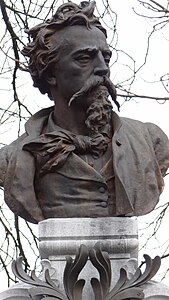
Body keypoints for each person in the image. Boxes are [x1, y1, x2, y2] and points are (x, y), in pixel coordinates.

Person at [0, 1, 169, 224]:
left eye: (106, 58)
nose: (103, 69)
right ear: (51, 73)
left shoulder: (150, 142)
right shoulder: (13, 158)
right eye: (84, 58)